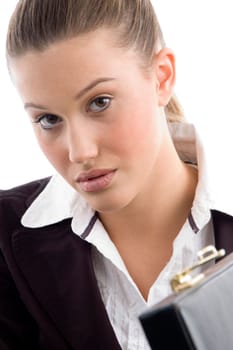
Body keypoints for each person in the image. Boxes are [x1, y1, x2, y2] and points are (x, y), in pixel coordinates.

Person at [1, 0, 233, 349]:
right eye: (48, 119)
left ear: (162, 77)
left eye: (99, 102)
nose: (80, 151)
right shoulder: (5, 240)